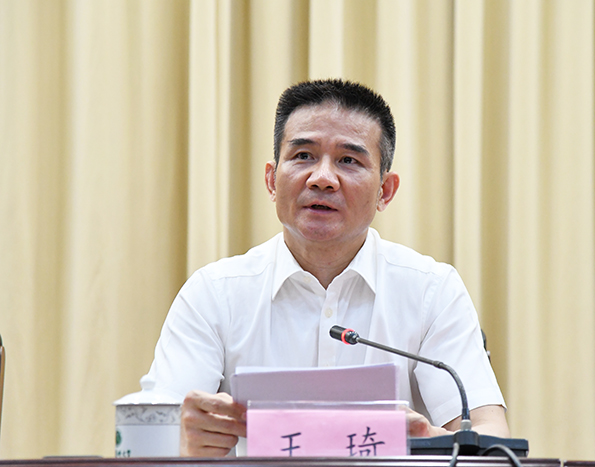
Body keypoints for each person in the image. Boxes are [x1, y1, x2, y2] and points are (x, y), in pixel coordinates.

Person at [146, 79, 510, 457]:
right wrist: (181, 440)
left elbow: (492, 438)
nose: (322, 178)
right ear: (271, 180)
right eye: (303, 155)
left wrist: (424, 440)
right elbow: (154, 434)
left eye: (349, 160)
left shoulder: (431, 291)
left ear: (385, 191)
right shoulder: (214, 293)